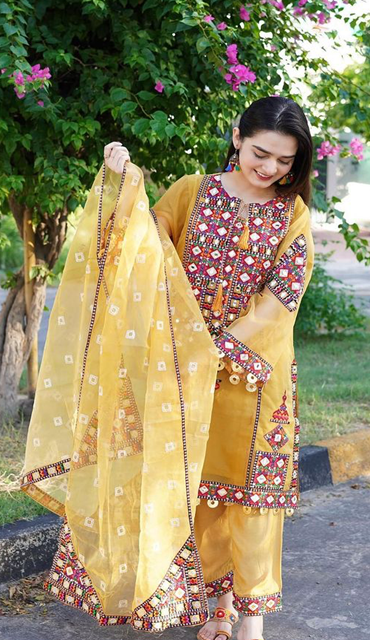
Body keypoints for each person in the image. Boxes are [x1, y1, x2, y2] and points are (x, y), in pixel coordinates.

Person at [20, 96, 314, 640]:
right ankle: (213, 607)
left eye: (284, 161)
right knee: (188, 487)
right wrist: (122, 184)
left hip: (252, 378)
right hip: (177, 369)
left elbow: (283, 296)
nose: (270, 168)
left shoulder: (292, 213)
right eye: (261, 153)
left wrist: (218, 346)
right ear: (237, 137)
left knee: (250, 494)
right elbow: (142, 250)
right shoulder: (190, 191)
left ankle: (249, 619)